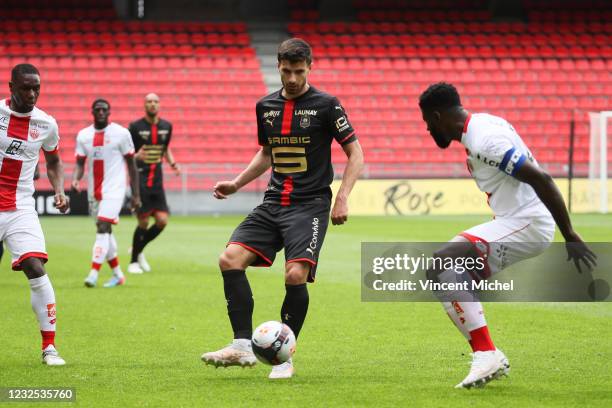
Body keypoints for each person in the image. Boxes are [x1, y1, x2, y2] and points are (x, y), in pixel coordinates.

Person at [201, 38, 364, 379]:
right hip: (273, 202)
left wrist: (343, 196)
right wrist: (236, 184)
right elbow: (267, 152)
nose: (292, 78)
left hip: (310, 206)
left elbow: (356, 153)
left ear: (310, 67)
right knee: (229, 259)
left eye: (299, 71)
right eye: (286, 71)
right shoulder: (266, 106)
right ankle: (241, 347)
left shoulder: (327, 105)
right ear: (278, 66)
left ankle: (284, 357)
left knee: (294, 274)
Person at [418, 82, 596, 389]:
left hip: (528, 223)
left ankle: (486, 353)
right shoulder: (484, 125)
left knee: (440, 265)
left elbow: (541, 178)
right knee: (447, 272)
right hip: (516, 220)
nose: (428, 130)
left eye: (427, 123)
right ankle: (487, 352)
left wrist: (569, 233)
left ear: (437, 117)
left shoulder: (485, 140)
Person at [1, 63, 70, 365]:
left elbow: (53, 161)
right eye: (26, 88)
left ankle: (49, 347)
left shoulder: (46, 124)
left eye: (36, 88)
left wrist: (59, 190)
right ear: (11, 87)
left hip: (20, 208)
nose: (32, 94)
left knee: (35, 267)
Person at [72, 99, 141, 288]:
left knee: (102, 227)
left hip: (115, 190)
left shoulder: (121, 134)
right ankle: (118, 274)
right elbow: (79, 163)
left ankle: (93, 273)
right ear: (92, 112)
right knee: (106, 232)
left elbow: (131, 165)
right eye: (97, 110)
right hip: (94, 192)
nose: (101, 112)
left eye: (104, 110)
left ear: (109, 112)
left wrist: (136, 195)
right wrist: (76, 179)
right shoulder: (84, 136)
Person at [127, 93, 180, 274]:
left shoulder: (167, 126)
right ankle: (133, 261)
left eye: (155, 101)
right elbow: (127, 155)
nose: (152, 104)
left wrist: (173, 163)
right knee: (142, 222)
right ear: (144, 105)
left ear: (159, 105)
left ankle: (138, 249)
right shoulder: (135, 127)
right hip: (140, 179)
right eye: (149, 101)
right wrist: (136, 157)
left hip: (157, 180)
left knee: (162, 221)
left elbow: (165, 148)